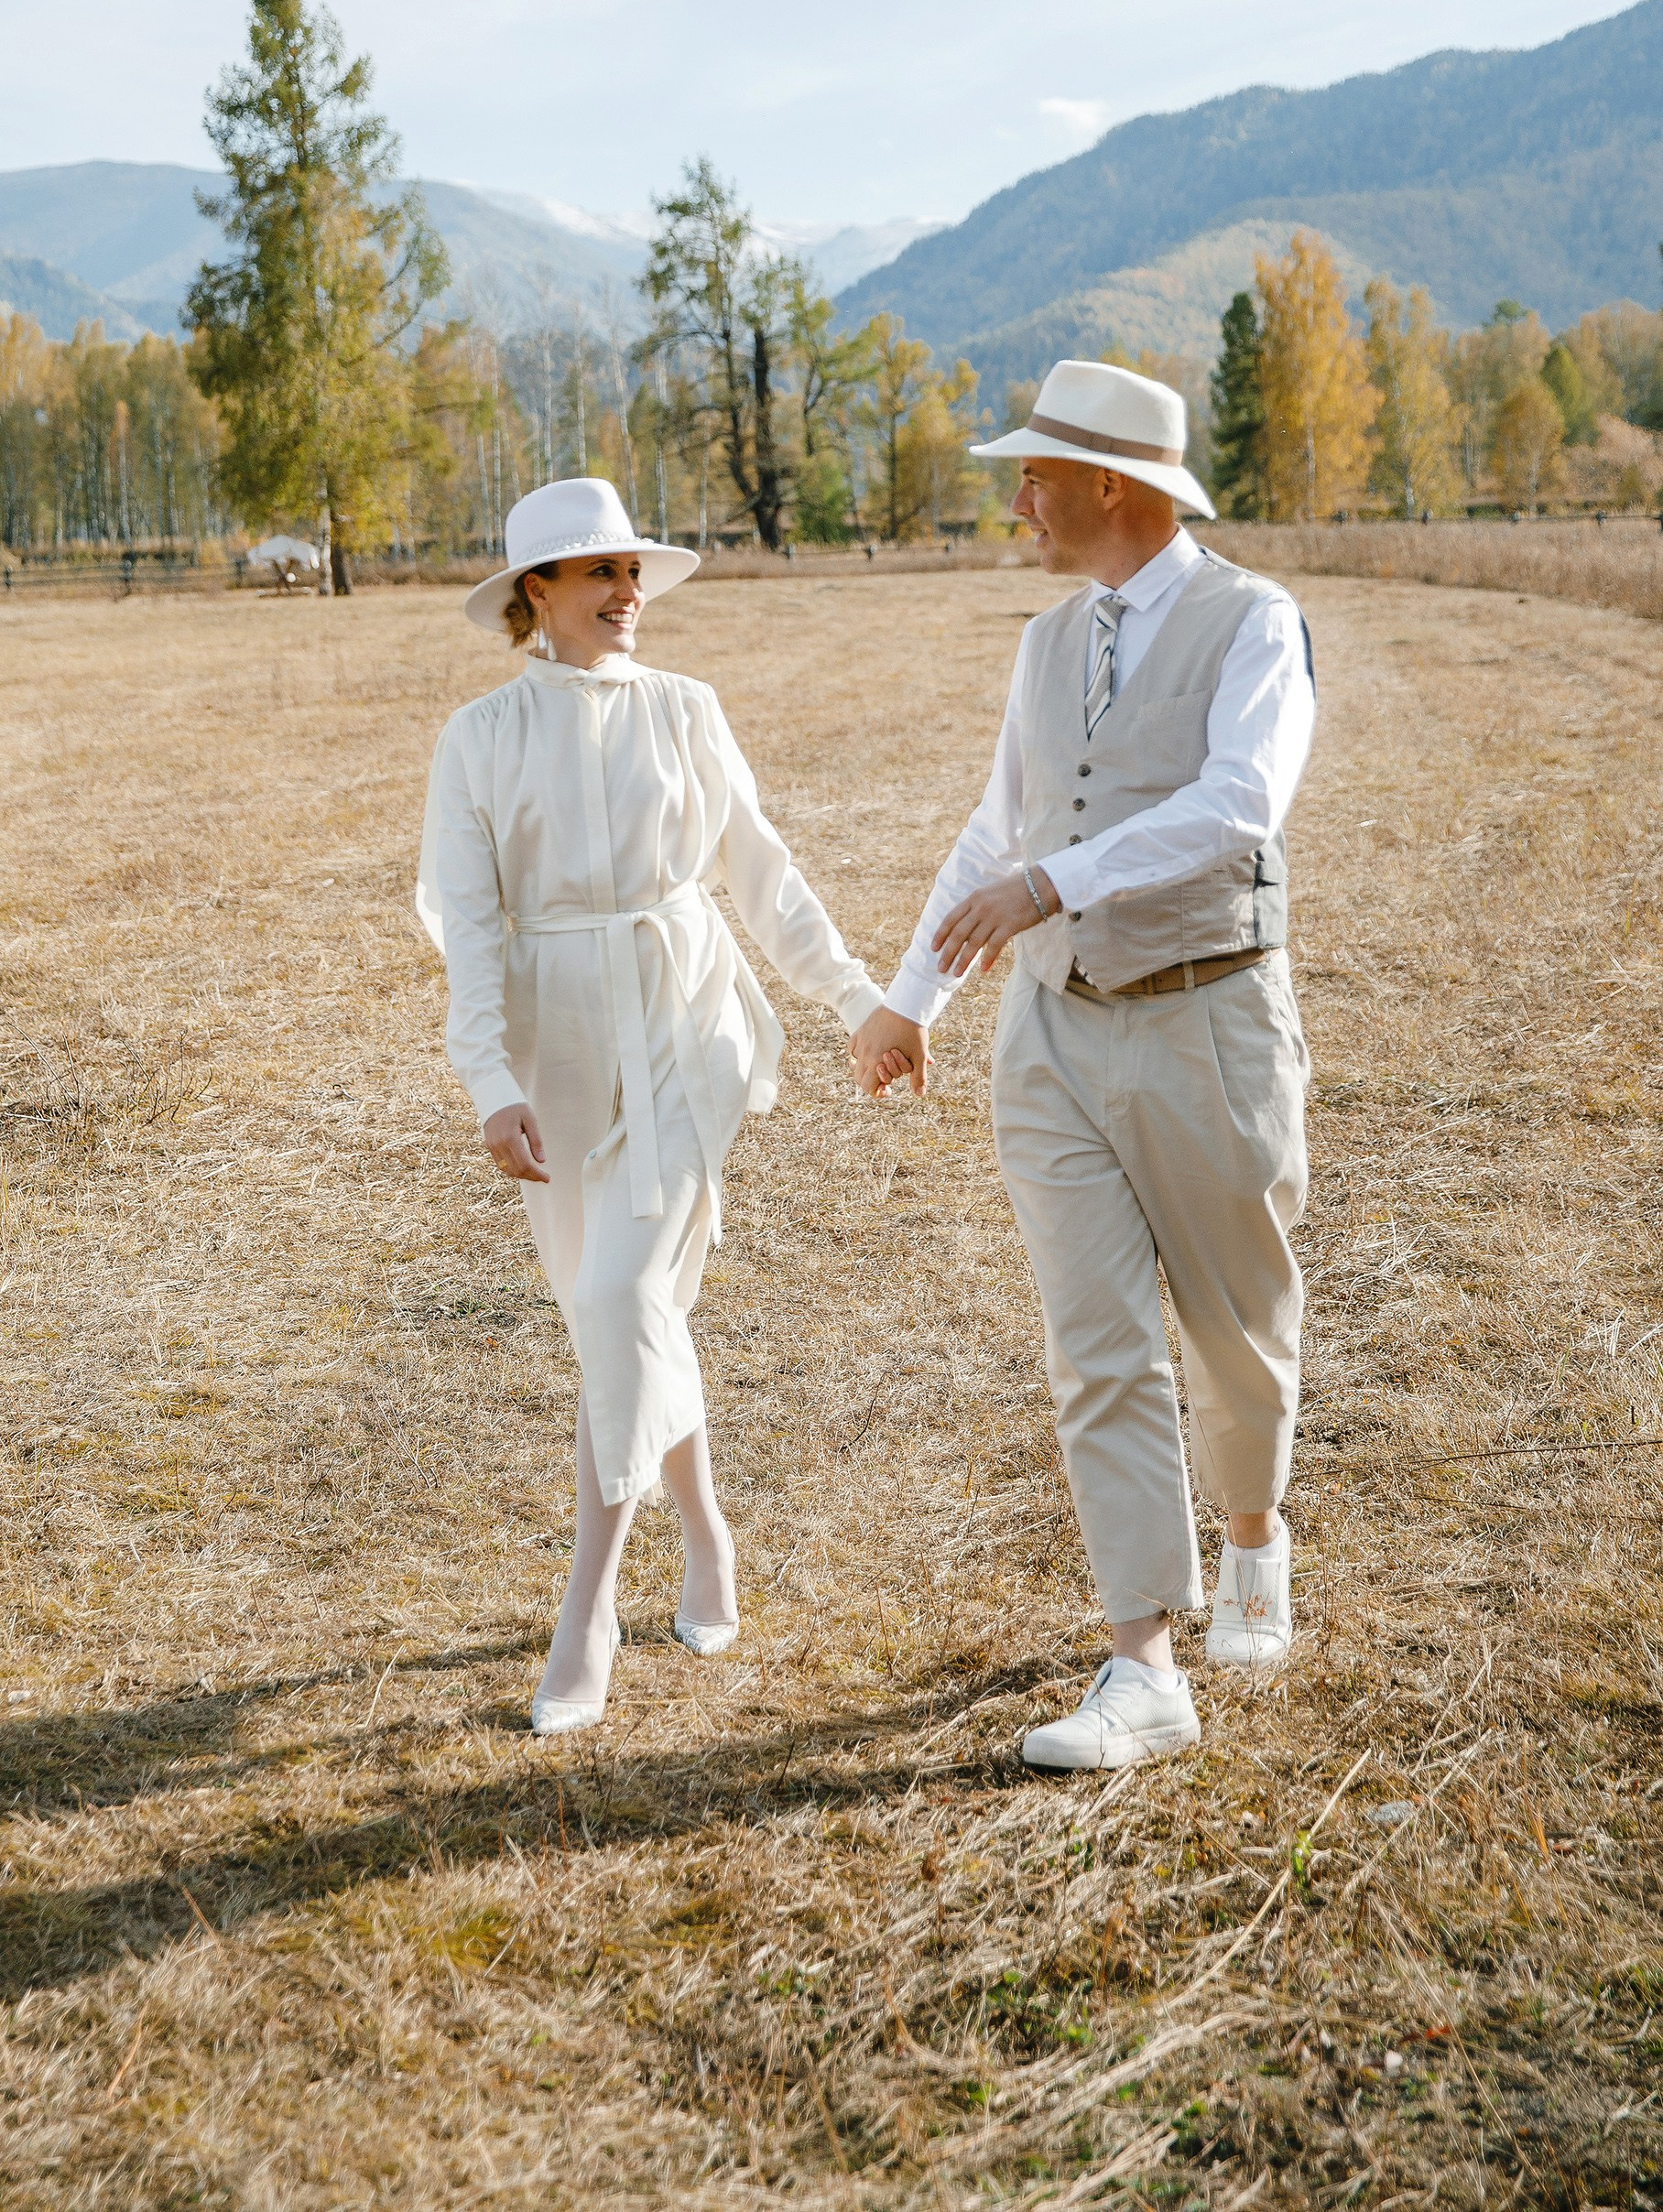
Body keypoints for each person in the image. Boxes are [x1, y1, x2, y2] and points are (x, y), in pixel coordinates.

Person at [852, 359, 1316, 1773]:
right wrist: (912, 991)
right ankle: (1143, 1660)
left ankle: (1253, 1540)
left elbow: (1240, 807)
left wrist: (1060, 884)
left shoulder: (1257, 624)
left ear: (1113, 484)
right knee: (1096, 1343)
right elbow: (1001, 830)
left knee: (1236, 1334)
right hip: (1050, 1036)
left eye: (1035, 478)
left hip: (1206, 1019)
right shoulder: (1046, 642)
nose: (1020, 506)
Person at [418, 477, 896, 1735]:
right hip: (556, 1050)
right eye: (599, 576)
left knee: (626, 1299)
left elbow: (763, 875)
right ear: (537, 593)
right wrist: (491, 1082)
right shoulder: (478, 740)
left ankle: (590, 1608)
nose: (629, 597)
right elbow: (467, 929)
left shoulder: (689, 713)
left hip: (690, 1028)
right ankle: (707, 1530)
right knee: (613, 1317)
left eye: (634, 574)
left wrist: (856, 1002)